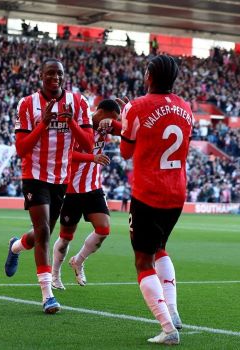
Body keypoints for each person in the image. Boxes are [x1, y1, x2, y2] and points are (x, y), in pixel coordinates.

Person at [4, 58, 94, 314]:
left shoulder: (78, 103)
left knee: (43, 233)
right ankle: (47, 295)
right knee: (43, 231)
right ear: (41, 75)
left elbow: (88, 144)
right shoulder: (27, 104)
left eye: (60, 73)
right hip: (33, 174)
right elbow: (21, 149)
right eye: (50, 73)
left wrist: (71, 123)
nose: (56, 77)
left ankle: (16, 246)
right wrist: (43, 123)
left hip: (60, 178)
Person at [120, 55, 194, 345]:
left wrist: (123, 122)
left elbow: (126, 152)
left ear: (149, 75)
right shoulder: (185, 108)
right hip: (176, 191)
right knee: (161, 248)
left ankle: (167, 328)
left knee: (143, 261)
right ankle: (173, 313)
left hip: (148, 192)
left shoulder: (135, 107)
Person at [52, 99, 121, 289]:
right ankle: (55, 274)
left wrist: (128, 113)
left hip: (93, 187)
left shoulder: (105, 128)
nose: (112, 122)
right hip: (71, 189)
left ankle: (78, 261)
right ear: (101, 112)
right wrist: (92, 157)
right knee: (66, 237)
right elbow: (67, 155)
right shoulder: (79, 124)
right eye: (112, 118)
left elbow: (128, 131)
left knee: (104, 229)